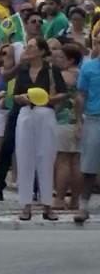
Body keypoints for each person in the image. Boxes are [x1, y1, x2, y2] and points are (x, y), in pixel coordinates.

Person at [13, 36, 67, 221]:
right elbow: (16, 94)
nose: (27, 50)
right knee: (24, 157)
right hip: (26, 112)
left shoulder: (51, 70)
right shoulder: (23, 70)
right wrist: (20, 98)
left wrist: (49, 99)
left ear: (42, 51)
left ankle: (47, 205)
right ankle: (25, 205)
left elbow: (62, 92)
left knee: (46, 157)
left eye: (31, 47)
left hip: (45, 112)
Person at [54, 44, 82, 211]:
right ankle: (75, 201)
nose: (59, 60)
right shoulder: (82, 75)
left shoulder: (63, 76)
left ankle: (59, 198)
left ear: (71, 60)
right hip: (80, 121)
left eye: (62, 58)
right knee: (76, 161)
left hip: (64, 120)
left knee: (63, 160)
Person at [75, 34, 100, 222]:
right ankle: (83, 206)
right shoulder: (88, 67)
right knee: (89, 165)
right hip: (94, 118)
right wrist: (78, 121)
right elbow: (81, 95)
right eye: (97, 42)